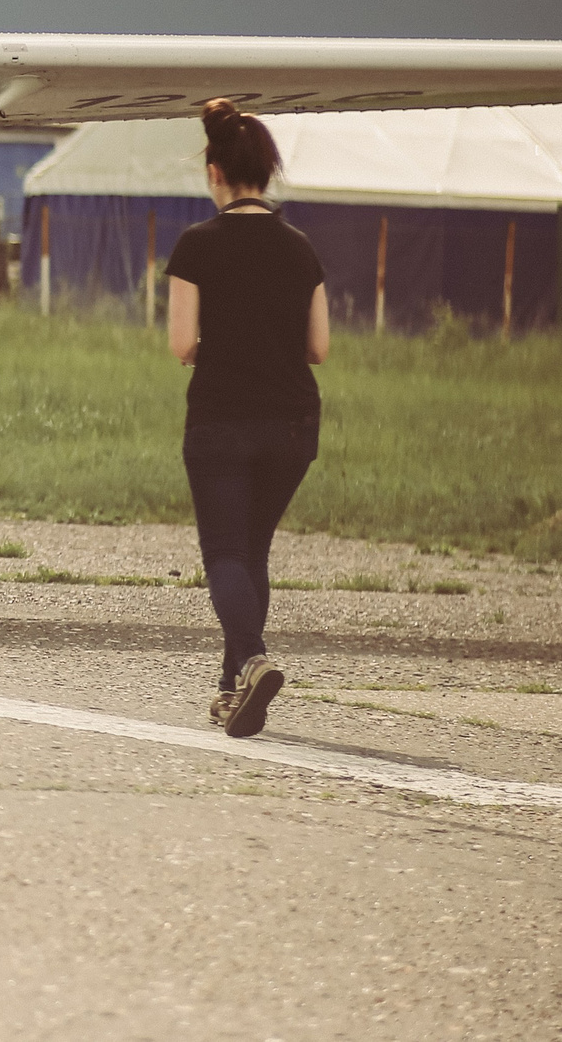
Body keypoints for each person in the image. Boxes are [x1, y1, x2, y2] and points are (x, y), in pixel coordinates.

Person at [165, 98, 329, 739]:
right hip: (293, 424)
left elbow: (182, 344)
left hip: (221, 420)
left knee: (226, 552)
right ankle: (233, 687)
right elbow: (319, 348)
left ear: (215, 173)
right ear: (267, 171)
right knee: (251, 550)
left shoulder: (196, 245)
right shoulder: (301, 248)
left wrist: (221, 345)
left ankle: (254, 661)